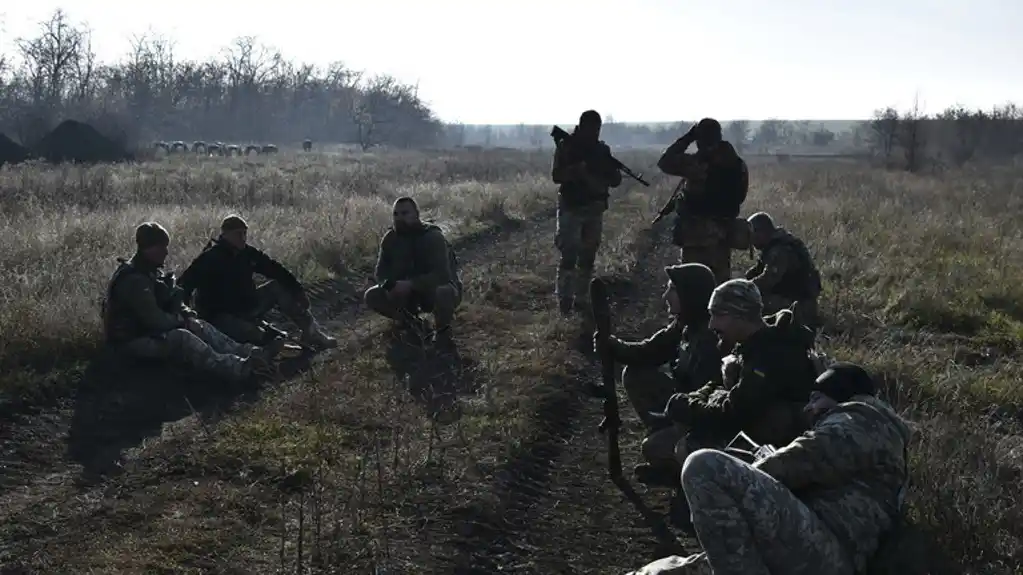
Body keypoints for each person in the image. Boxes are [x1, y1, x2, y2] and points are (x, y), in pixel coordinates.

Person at [624, 362, 911, 575]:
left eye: (816, 398)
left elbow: (793, 463)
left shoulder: (860, 420)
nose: (808, 408)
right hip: (811, 544)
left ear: (839, 395)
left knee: (704, 465)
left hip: (826, 551)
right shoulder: (873, 433)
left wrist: (748, 471)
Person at [650, 279, 819, 473]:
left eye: (718, 315)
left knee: (682, 447)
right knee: (659, 444)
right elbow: (722, 386)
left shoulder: (769, 356)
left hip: (776, 450)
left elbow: (732, 415)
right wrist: (695, 399)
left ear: (740, 315)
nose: (712, 324)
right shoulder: (752, 345)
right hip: (754, 430)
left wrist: (685, 407)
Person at [101, 222, 280, 384]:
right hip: (130, 343)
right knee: (182, 337)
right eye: (162, 247)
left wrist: (188, 315)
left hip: (148, 334)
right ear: (150, 248)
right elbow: (155, 320)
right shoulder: (135, 280)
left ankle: (249, 353)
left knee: (200, 325)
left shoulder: (151, 272)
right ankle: (238, 369)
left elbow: (173, 299)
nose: (166, 252)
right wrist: (182, 321)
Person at [593, 263, 722, 483]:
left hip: (703, 418)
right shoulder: (683, 326)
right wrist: (613, 346)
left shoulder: (710, 340)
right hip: (684, 404)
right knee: (635, 374)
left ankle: (681, 472)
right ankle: (664, 433)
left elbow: (710, 404)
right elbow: (648, 352)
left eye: (672, 289)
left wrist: (681, 423)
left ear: (689, 294)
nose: (665, 295)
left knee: (653, 448)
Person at [177, 215, 337, 350]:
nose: (243, 238)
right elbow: (183, 285)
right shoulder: (209, 258)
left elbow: (275, 269)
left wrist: (297, 290)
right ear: (225, 235)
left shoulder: (247, 253)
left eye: (245, 234)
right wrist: (186, 316)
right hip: (221, 316)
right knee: (260, 338)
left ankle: (312, 332)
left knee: (277, 287)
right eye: (238, 234)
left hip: (248, 306)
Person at [656, 118, 749, 284]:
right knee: (718, 286)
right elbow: (740, 196)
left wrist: (687, 137)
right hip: (723, 233)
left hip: (696, 234)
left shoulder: (697, 163)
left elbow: (664, 162)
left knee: (692, 287)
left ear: (699, 139)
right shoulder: (738, 164)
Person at [364, 197, 463, 347]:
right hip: (407, 295)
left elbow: (442, 275)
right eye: (396, 214)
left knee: (444, 291)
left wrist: (411, 284)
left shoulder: (433, 237)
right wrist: (390, 285)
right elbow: (380, 272)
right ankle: (410, 322)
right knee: (372, 295)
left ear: (416, 214)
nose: (399, 218)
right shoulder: (391, 239)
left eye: (405, 213)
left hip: (432, 291)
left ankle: (442, 331)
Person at [551, 110, 623, 314]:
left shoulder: (601, 150)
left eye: (597, 129)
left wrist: (605, 171)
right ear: (581, 127)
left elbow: (616, 179)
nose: (595, 134)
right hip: (571, 207)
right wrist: (577, 171)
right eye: (591, 129)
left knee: (588, 256)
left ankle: (581, 299)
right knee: (569, 255)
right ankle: (565, 300)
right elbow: (556, 176)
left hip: (594, 209)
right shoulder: (567, 147)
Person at [745, 211, 823, 331]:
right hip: (794, 299)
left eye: (753, 235)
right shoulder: (775, 245)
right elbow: (756, 272)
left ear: (762, 232)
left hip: (799, 305)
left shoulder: (780, 250)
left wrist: (744, 288)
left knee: (749, 304)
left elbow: (768, 280)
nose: (752, 241)